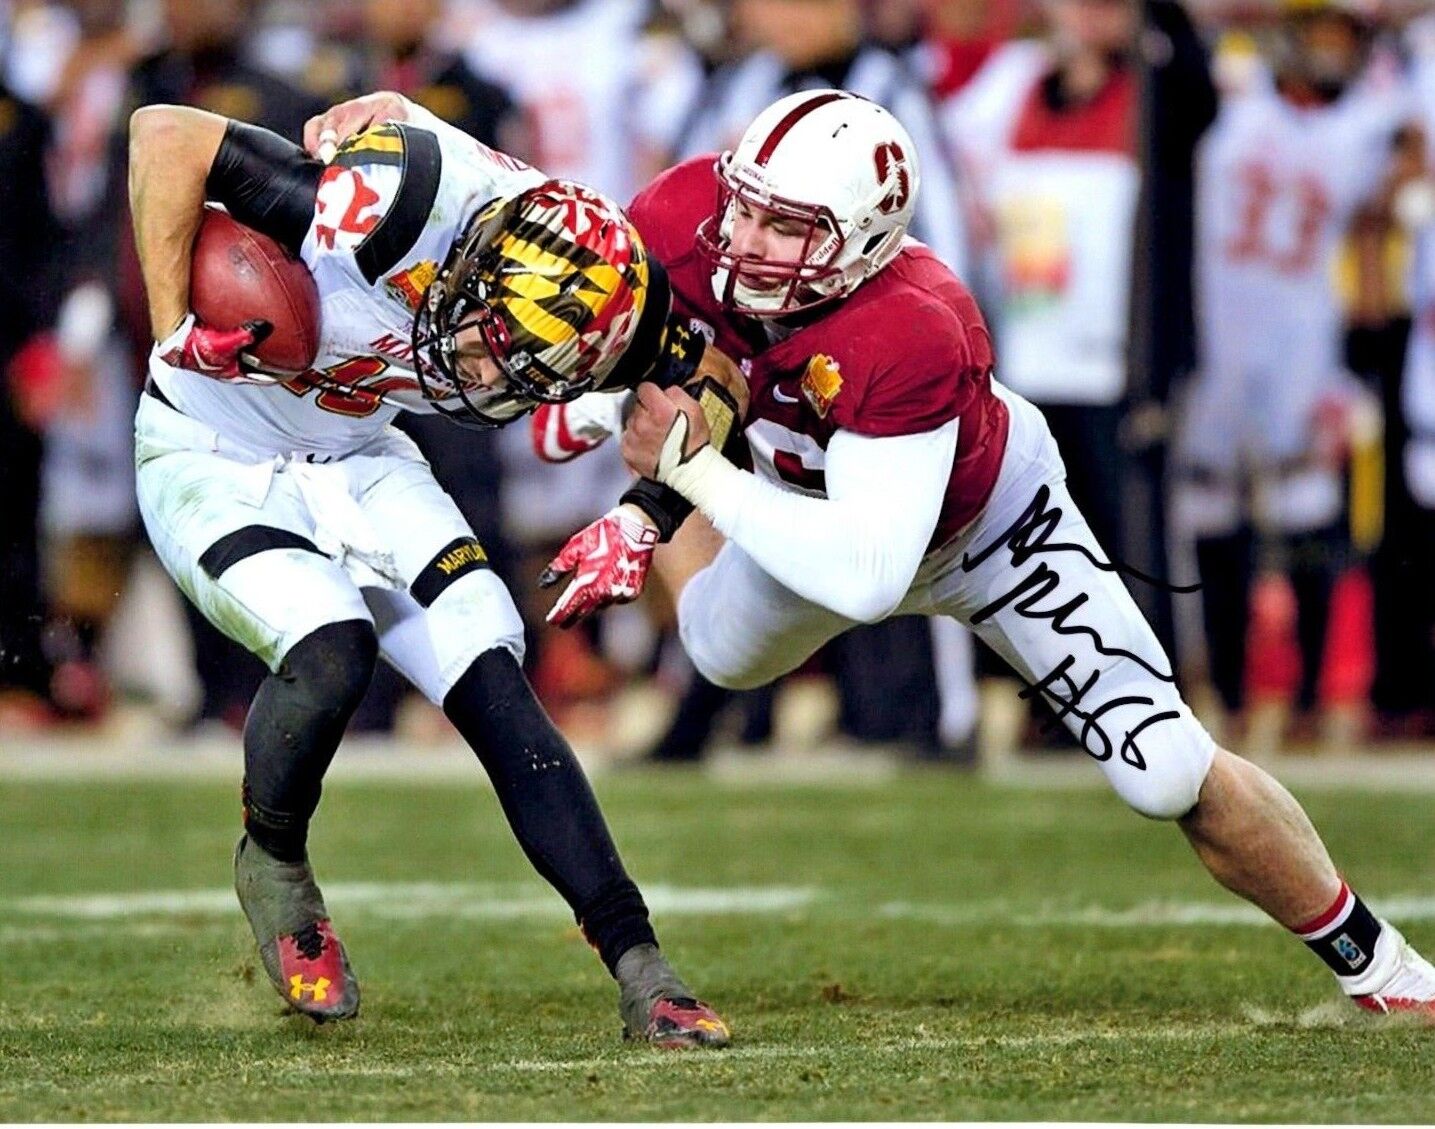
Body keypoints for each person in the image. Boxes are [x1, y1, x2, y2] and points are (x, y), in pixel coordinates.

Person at [538, 88, 1435, 1015]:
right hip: (803, 505)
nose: (749, 240)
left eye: (788, 226)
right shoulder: (685, 218)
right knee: (716, 651)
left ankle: (1382, 965)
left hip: (989, 531)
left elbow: (867, 574)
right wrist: (604, 400)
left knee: (1165, 767)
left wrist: (691, 477)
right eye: (747, 207)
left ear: (865, 239)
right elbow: (668, 336)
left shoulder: (913, 325)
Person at [125, 89, 730, 1044]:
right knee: (332, 648)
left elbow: (716, 378)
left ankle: (643, 969)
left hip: (363, 457)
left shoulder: (599, 288)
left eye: (531, 371)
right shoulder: (392, 209)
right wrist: (170, 337)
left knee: (495, 680)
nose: (494, 378)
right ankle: (273, 858)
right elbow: (163, 134)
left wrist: (647, 514)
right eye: (497, 346)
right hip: (210, 449)